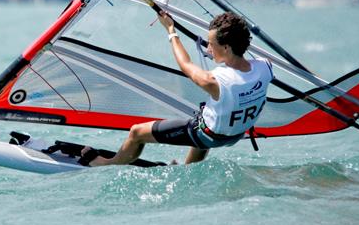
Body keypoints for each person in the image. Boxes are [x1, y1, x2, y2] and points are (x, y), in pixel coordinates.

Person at [80, 11, 272, 167]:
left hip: (209, 136)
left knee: (137, 132)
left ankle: (107, 163)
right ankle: (187, 167)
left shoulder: (215, 81)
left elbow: (185, 64)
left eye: (211, 45)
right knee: (206, 117)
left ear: (227, 48)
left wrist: (171, 31)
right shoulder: (265, 68)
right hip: (236, 134)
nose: (207, 50)